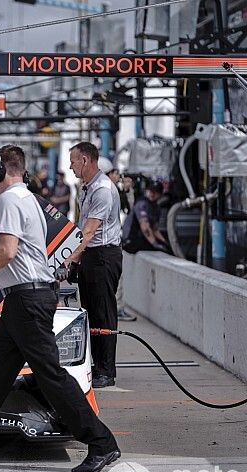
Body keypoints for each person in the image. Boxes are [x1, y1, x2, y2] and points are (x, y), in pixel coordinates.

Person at [0, 144, 121, 472]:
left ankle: (101, 442)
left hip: (27, 300)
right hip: (24, 300)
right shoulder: (29, 198)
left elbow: (6, 251)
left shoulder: (9, 199)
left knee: (51, 377)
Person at [61, 142, 122, 389]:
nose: (71, 167)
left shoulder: (103, 190)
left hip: (103, 256)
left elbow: (89, 232)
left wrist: (68, 259)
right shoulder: (87, 188)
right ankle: (98, 365)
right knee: (91, 313)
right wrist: (77, 260)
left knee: (103, 313)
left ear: (85, 160)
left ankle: (107, 371)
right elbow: (81, 228)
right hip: (90, 255)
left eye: (73, 161)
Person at [107, 168, 137, 322]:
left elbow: (130, 210)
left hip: (113, 241)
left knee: (117, 277)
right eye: (115, 173)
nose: (119, 177)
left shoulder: (116, 192)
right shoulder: (105, 192)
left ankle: (116, 308)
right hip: (107, 243)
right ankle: (116, 308)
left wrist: (128, 191)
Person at [121, 181, 170, 254]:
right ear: (147, 191)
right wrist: (155, 244)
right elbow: (145, 228)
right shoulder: (142, 203)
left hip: (141, 239)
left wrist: (165, 242)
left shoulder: (156, 207)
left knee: (166, 249)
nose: (152, 194)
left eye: (156, 192)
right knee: (158, 250)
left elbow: (155, 229)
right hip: (130, 241)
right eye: (151, 191)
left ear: (160, 194)